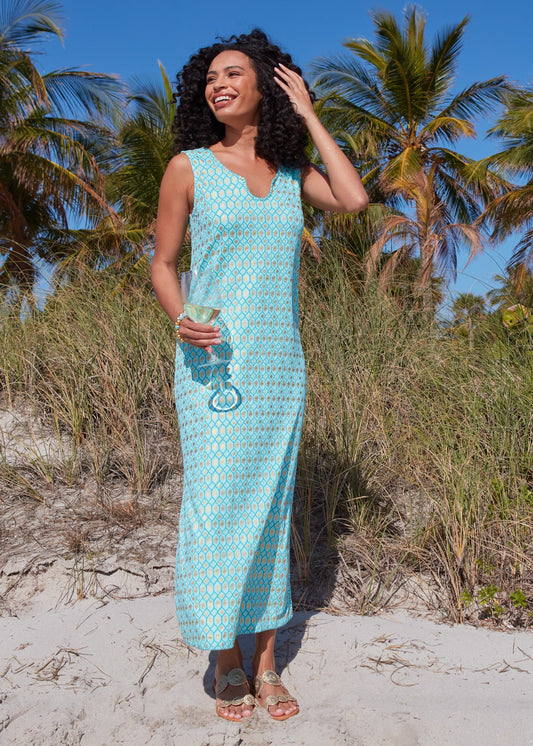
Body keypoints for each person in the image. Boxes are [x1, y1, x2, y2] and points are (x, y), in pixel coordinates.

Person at [152, 29, 368, 723]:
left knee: (271, 512)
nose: (219, 84)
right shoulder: (187, 166)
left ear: (266, 85)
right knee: (215, 507)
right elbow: (162, 263)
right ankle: (223, 655)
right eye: (210, 76)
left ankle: (267, 659)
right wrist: (180, 316)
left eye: (234, 73)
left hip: (279, 366)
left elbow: (354, 200)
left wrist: (307, 116)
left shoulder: (287, 173)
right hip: (211, 363)